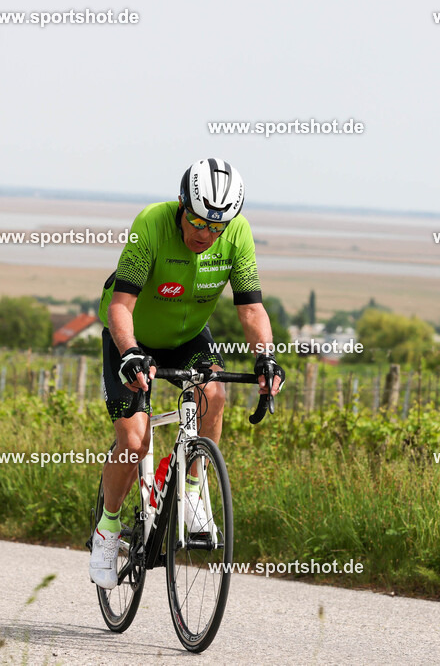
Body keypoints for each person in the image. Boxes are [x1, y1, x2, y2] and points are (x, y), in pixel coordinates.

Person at [89, 158, 285, 589]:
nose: (205, 234)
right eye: (197, 221)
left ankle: (193, 488)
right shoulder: (152, 224)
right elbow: (121, 305)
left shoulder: (237, 234)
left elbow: (251, 308)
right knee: (134, 443)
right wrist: (130, 353)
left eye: (216, 226)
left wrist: (266, 358)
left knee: (213, 394)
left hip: (188, 336)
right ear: (181, 204)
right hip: (131, 337)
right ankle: (108, 528)